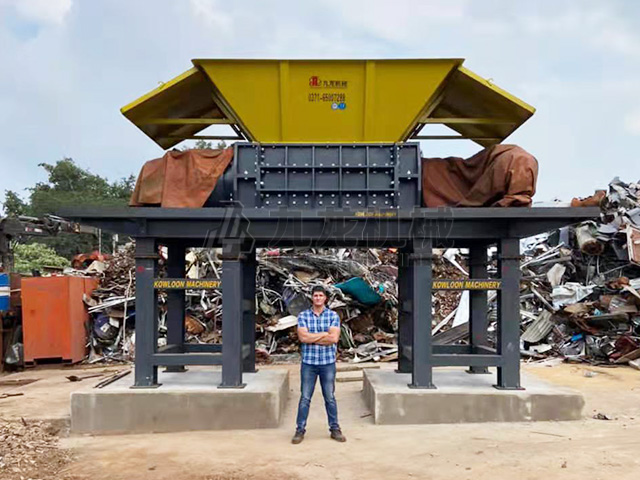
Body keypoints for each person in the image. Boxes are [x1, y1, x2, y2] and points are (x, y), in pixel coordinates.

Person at [291, 285, 346, 444]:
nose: (318, 298)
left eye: (321, 295)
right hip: (309, 363)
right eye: (315, 295)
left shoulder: (333, 316)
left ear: (325, 298)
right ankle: (300, 430)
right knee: (305, 398)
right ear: (312, 298)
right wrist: (323, 334)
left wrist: (312, 337)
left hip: (327, 363)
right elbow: (303, 338)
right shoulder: (303, 316)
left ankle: (335, 429)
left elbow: (333, 339)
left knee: (330, 397)